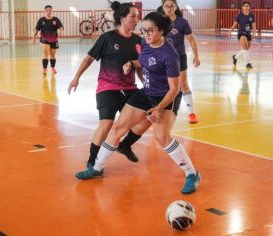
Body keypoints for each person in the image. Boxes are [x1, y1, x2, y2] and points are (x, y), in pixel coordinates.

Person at [75, 12, 201, 195]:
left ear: (162, 31)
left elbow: (174, 88)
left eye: (150, 31)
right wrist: (132, 64)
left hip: (166, 98)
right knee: (118, 128)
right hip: (146, 93)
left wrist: (158, 109)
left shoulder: (170, 54)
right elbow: (144, 62)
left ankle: (192, 174)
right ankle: (97, 168)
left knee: (161, 136)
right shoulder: (144, 43)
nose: (146, 34)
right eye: (144, 30)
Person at [68, 1, 150, 169]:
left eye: (137, 16)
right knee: (106, 124)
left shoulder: (138, 41)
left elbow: (140, 65)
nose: (137, 19)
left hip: (129, 87)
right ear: (122, 18)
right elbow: (89, 58)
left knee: (147, 117)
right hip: (108, 87)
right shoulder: (107, 38)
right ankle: (92, 161)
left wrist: (145, 84)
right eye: (133, 16)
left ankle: (125, 145)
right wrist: (76, 77)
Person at [160, 0, 200, 124]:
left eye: (172, 5)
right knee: (162, 85)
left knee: (183, 84)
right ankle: (160, 110)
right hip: (162, 57)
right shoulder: (159, 21)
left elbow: (192, 40)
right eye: (166, 6)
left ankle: (192, 113)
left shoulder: (182, 22)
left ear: (176, 7)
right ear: (162, 7)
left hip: (179, 57)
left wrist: (196, 56)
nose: (169, 8)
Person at [33, 5, 64, 75]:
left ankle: (52, 68)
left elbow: (61, 27)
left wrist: (61, 31)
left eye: (50, 10)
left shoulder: (55, 19)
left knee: (52, 55)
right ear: (45, 11)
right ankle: (45, 69)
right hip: (44, 39)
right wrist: (34, 37)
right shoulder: (41, 20)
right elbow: (36, 29)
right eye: (47, 10)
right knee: (46, 54)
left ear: (52, 11)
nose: (48, 12)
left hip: (54, 39)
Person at [229, 1, 256, 69]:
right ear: (242, 7)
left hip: (248, 34)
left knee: (245, 49)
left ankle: (235, 57)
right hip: (241, 33)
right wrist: (230, 31)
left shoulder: (251, 15)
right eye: (244, 6)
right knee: (245, 47)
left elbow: (253, 25)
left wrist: (254, 32)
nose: (246, 7)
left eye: (247, 6)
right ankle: (248, 63)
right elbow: (235, 24)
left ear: (249, 7)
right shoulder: (240, 15)